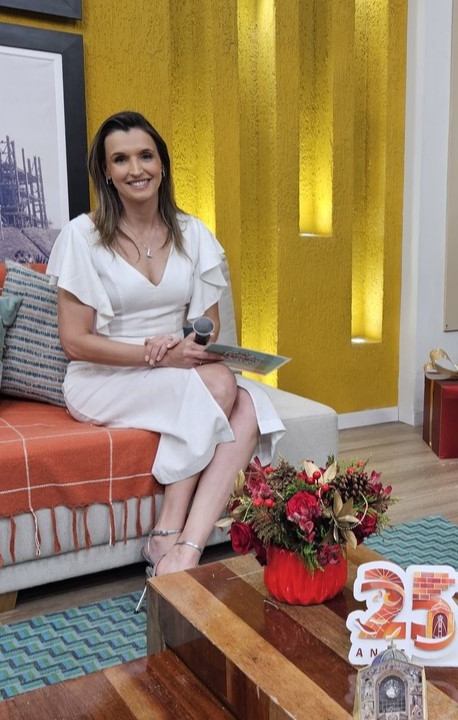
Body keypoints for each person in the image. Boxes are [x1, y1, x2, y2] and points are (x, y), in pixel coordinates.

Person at [47, 111, 285, 608]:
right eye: (121, 159)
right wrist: (150, 354)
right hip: (104, 375)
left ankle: (184, 549)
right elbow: (76, 342)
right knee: (221, 388)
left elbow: (206, 327)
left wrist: (186, 345)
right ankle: (168, 531)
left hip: (174, 366)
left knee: (248, 404)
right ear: (106, 171)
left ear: (162, 164)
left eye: (145, 156)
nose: (136, 169)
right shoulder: (82, 237)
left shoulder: (192, 233)